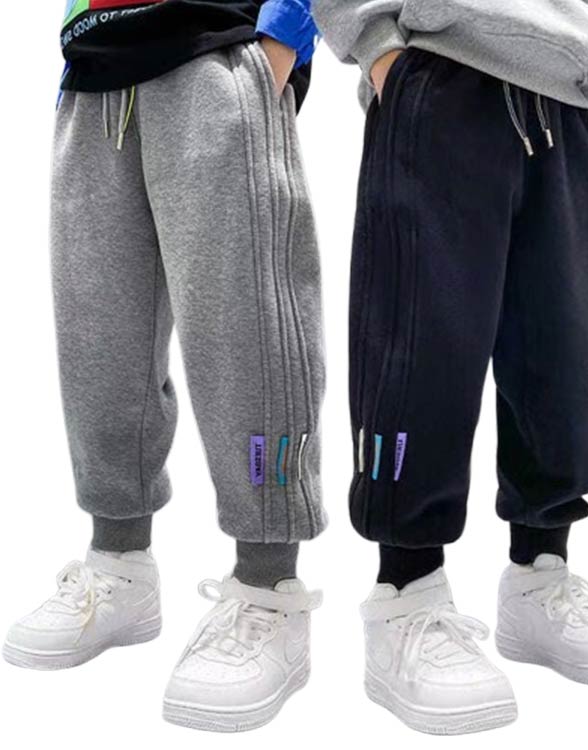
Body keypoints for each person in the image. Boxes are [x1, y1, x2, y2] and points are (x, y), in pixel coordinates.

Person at [313, 0, 588, 735]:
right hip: (443, 69)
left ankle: (539, 578)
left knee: (567, 358)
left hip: (567, 102)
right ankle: (406, 595)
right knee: (418, 352)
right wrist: (378, 47)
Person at [3, 0, 326, 733]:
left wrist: (282, 37)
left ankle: (270, 589)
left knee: (246, 331)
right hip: (95, 71)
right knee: (98, 339)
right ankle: (120, 565)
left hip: (213, 50)